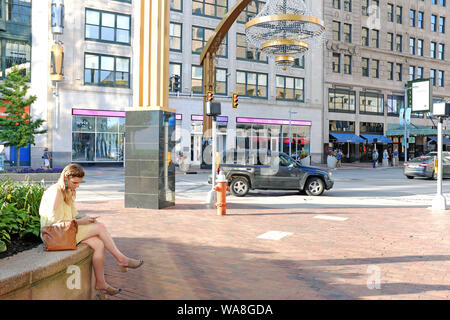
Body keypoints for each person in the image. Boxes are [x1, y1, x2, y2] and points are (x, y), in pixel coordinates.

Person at [39, 163, 143, 297]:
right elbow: (54, 223)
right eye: (75, 182)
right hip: (54, 235)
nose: (77, 186)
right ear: (65, 177)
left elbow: (71, 217)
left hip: (65, 231)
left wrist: (84, 218)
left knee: (98, 243)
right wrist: (81, 222)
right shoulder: (56, 192)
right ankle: (121, 259)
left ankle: (101, 283)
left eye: (79, 183)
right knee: (100, 227)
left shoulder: (68, 191)